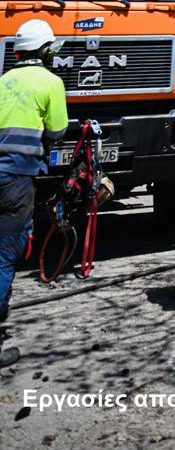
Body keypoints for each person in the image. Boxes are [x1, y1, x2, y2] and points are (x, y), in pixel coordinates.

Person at [0, 19, 68, 366]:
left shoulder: (3, 80)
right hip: (17, 178)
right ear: (44, 52)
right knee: (7, 252)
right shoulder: (50, 82)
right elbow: (56, 131)